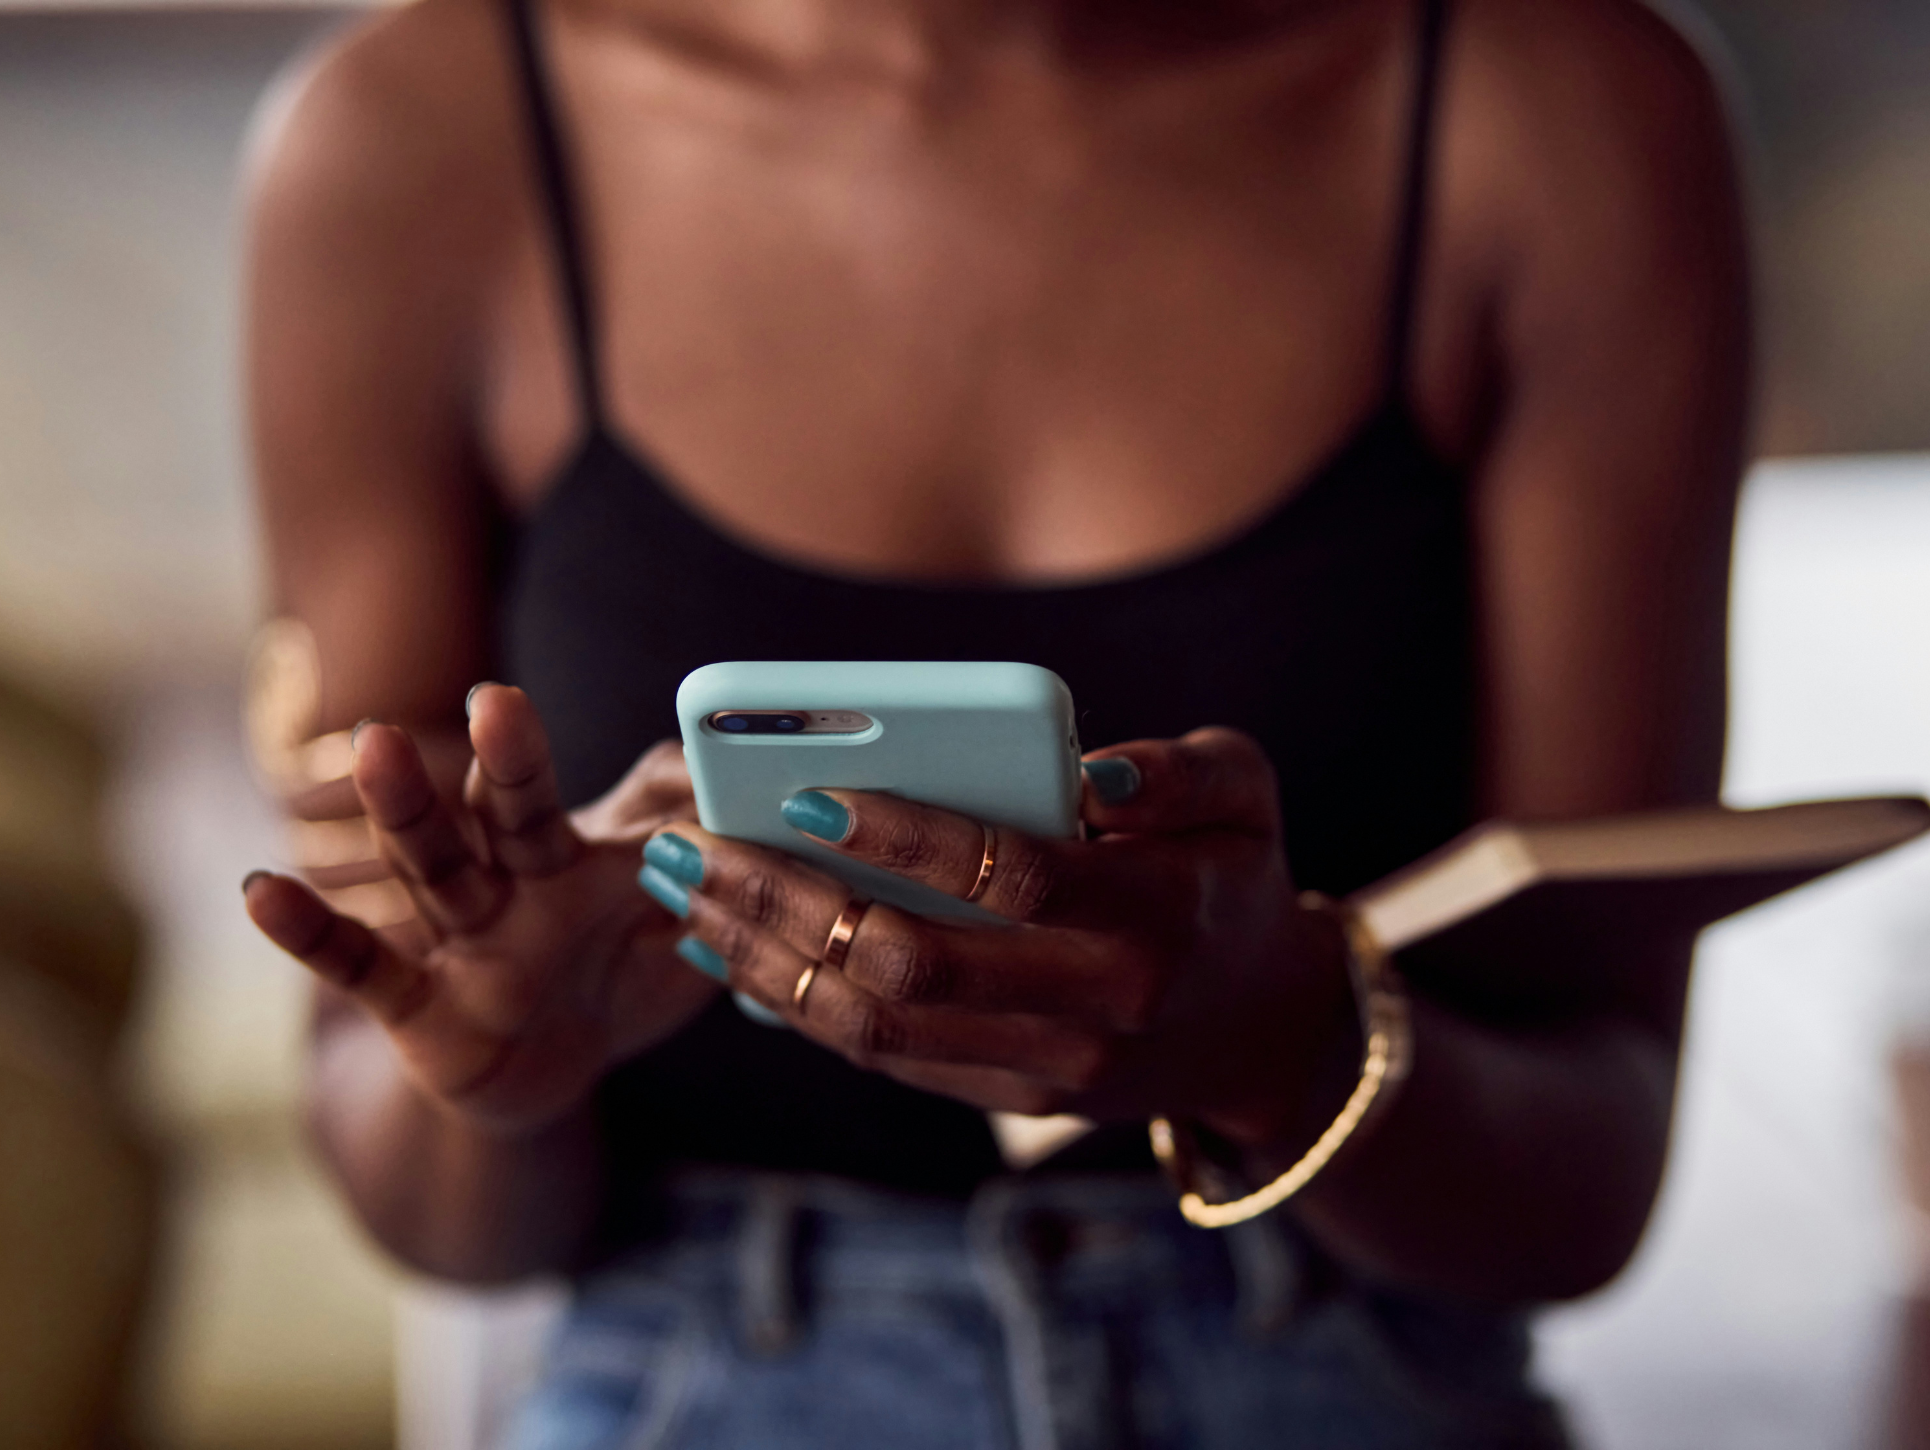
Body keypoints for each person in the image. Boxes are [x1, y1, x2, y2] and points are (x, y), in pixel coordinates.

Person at [238, 0, 1749, 1442]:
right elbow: (421, 1191)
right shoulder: (413, 142)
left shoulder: (1550, 111)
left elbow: (1590, 1174)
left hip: (1356, 1373)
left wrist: (1285, 1042)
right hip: (697, 1380)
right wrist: (496, 1081)